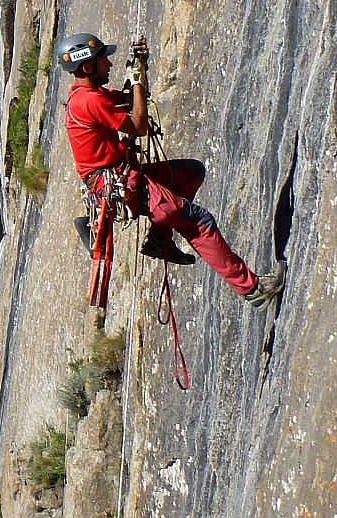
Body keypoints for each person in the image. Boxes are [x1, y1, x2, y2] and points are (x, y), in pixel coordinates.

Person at [58, 32, 283, 311]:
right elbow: (139, 127)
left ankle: (159, 239)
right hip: (123, 185)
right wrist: (137, 83)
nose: (110, 65)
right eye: (104, 59)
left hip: (119, 178)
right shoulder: (91, 101)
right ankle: (253, 289)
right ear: (87, 67)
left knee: (191, 172)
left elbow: (134, 100)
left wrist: (139, 66)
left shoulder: (87, 96)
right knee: (198, 221)